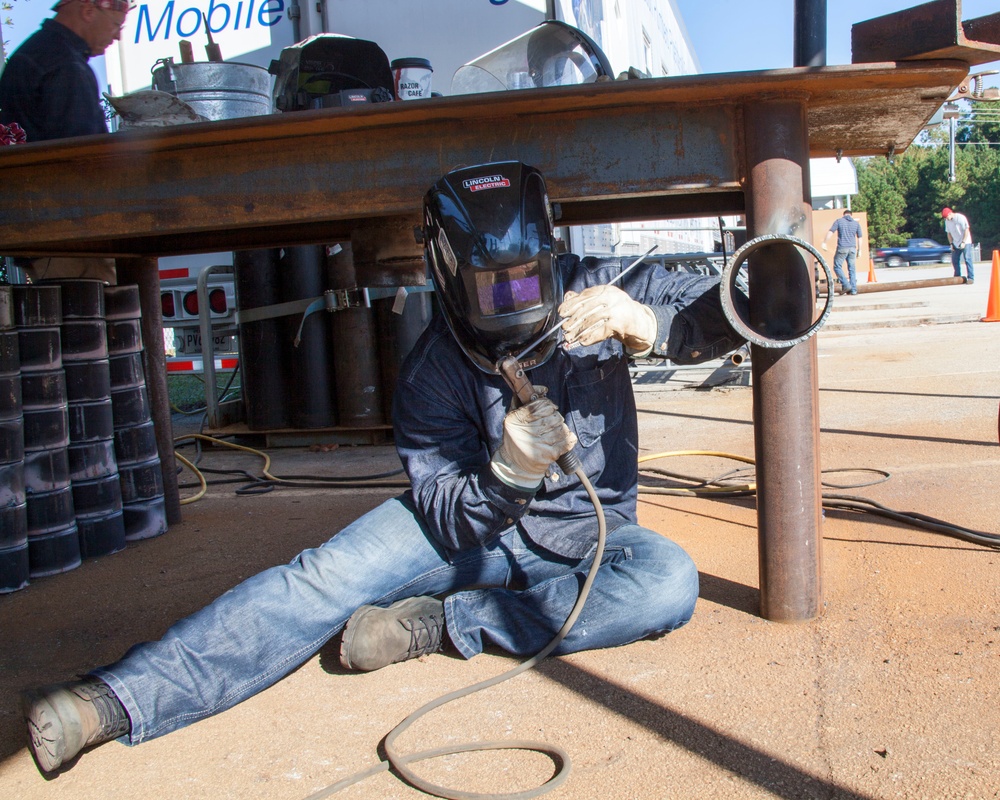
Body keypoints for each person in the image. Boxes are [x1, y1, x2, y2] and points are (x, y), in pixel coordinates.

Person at [22, 161, 747, 773]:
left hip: (595, 535)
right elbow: (443, 507)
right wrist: (508, 473)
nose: (515, 299)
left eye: (529, 278)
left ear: (551, 255)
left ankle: (447, 626)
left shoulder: (602, 287)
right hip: (474, 532)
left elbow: (742, 305)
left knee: (666, 582)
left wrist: (655, 327)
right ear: (447, 272)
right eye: (492, 285)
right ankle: (119, 699)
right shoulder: (431, 371)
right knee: (323, 577)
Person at [0, 0, 131, 284]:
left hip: (38, 229)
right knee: (102, 319)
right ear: (87, 10)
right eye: (115, 25)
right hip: (73, 236)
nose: (117, 35)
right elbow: (84, 157)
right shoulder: (65, 66)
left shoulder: (30, 55)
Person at [821, 209, 863, 295]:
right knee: (852, 269)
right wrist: (860, 250)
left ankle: (846, 284)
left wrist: (825, 242)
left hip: (842, 248)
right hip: (852, 249)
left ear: (844, 215)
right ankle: (853, 290)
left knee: (837, 267)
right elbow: (860, 238)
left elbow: (831, 231)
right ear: (851, 215)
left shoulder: (839, 221)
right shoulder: (856, 224)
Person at [941, 207, 975, 284]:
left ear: (950, 213)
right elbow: (948, 233)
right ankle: (957, 276)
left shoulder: (960, 218)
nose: (946, 219)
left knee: (967, 258)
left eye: (947, 217)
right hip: (955, 242)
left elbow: (966, 230)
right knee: (955, 260)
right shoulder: (947, 221)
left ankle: (971, 278)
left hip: (965, 241)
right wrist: (951, 244)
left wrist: (963, 242)